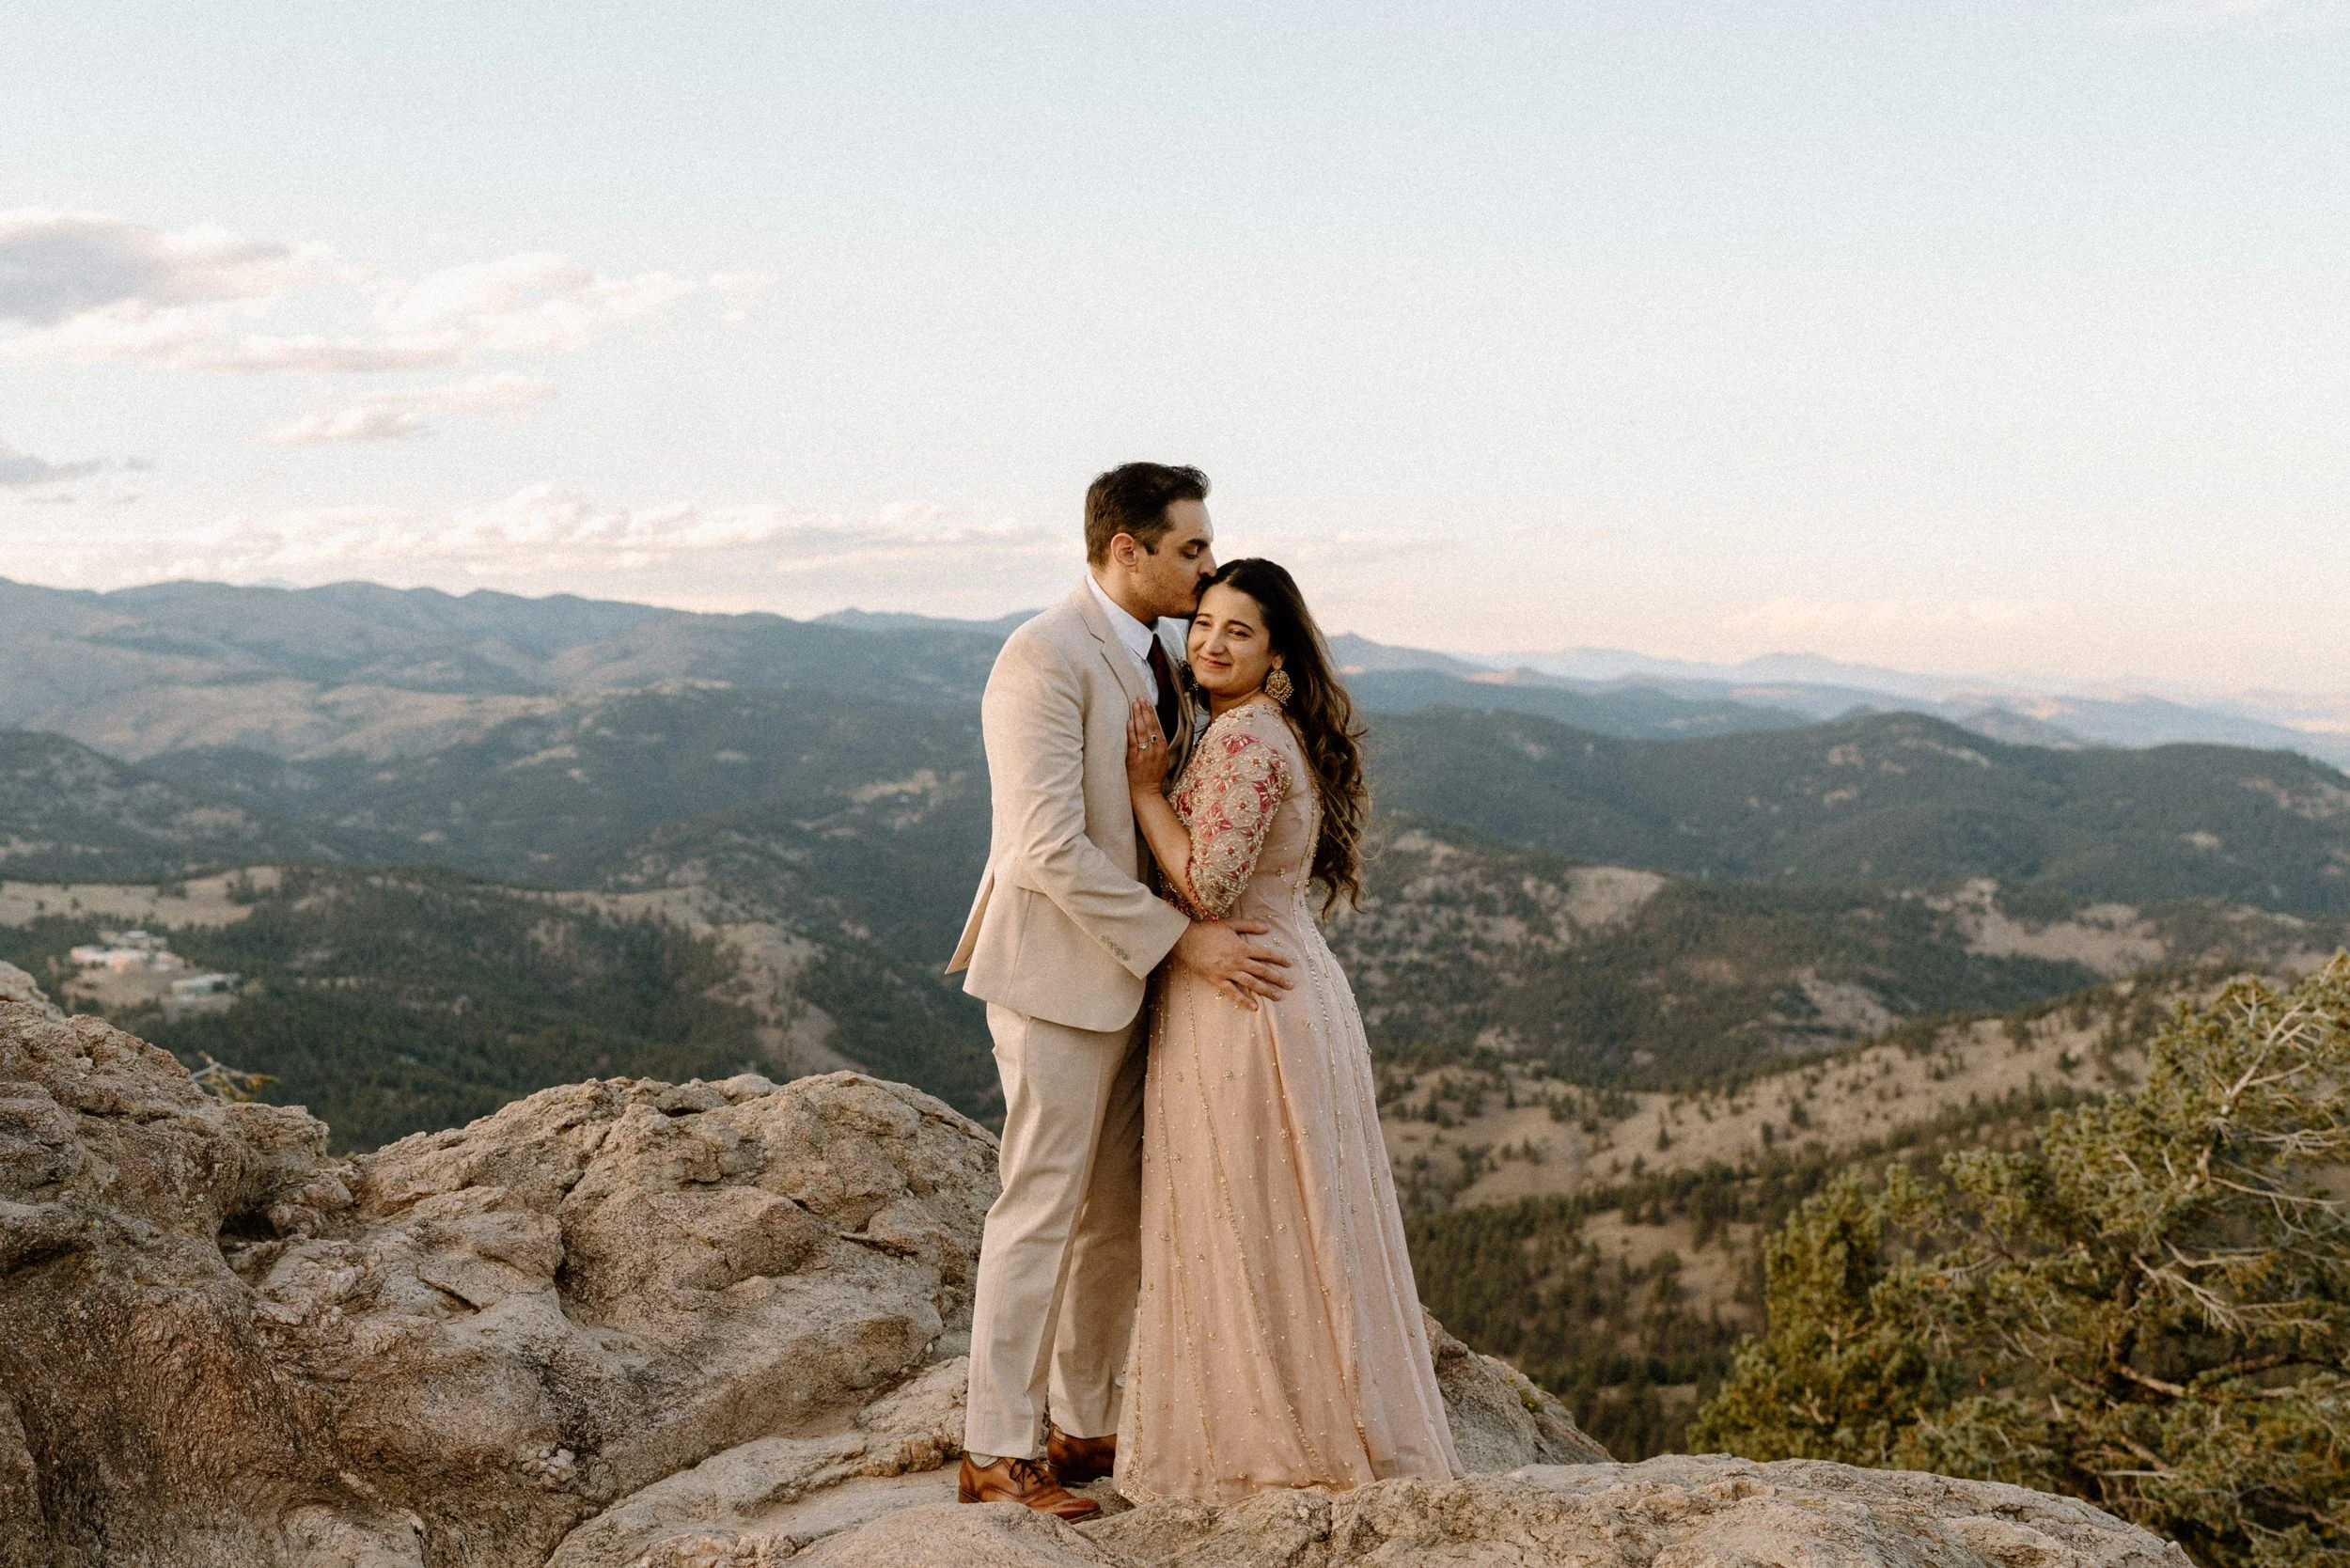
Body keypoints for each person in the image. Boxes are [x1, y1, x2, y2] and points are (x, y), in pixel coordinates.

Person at [946, 464, 1294, 1520]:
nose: (1204, 565)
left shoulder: (1164, 659)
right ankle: (995, 1451)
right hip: (1060, 976)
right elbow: (1045, 846)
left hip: (1141, 984)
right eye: (1190, 548)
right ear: (1126, 550)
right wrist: (1179, 944)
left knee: (1113, 1218)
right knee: (1040, 1208)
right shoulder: (1041, 657)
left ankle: (1082, 1426)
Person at [1113, 557, 1462, 1503]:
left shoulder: (1240, 742)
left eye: (1238, 631)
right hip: (1284, 985)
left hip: (1244, 1003)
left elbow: (1210, 885)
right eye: (1203, 625)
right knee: (1293, 1216)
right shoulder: (1260, 730)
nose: (1211, 643)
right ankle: (1307, 1419)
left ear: (1275, 655)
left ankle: (1269, 1445)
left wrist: (1146, 790)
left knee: (1245, 1215)